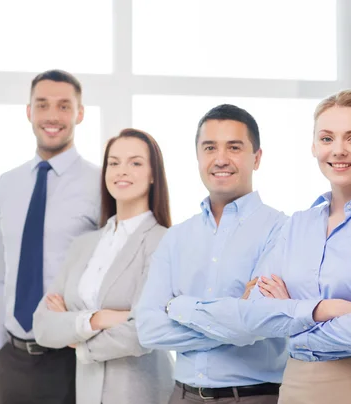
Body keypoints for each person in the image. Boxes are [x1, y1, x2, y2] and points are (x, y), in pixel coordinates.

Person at [165, 90, 351, 404]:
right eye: (327, 139)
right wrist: (322, 309)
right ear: (314, 146)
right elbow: (255, 310)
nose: (338, 150)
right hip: (295, 386)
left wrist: (289, 319)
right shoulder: (297, 225)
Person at [136, 104, 288, 404]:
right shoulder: (176, 236)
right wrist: (232, 318)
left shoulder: (282, 230)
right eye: (209, 148)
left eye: (234, 147)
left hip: (253, 397)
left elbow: (255, 323)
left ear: (256, 158)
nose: (220, 159)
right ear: (198, 156)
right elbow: (148, 330)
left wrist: (177, 307)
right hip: (182, 396)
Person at [33, 128, 174, 404]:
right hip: (87, 395)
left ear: (153, 174)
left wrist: (76, 338)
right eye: (114, 163)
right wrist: (99, 318)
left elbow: (143, 331)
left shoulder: (164, 242)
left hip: (142, 394)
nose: (122, 171)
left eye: (135, 163)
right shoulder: (83, 245)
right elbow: (43, 325)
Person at [0, 69, 100, 404]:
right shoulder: (8, 183)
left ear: (80, 113)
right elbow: (0, 272)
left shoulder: (101, 183)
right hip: (12, 359)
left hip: (71, 358)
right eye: (43, 104)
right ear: (29, 112)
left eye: (64, 106)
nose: (52, 116)